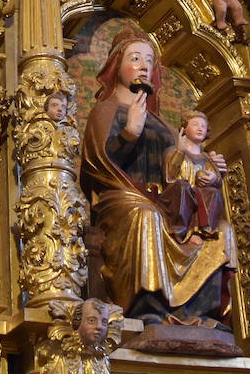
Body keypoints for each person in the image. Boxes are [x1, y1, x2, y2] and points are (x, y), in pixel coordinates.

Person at [80, 29, 229, 325]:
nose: (144, 66)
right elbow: (96, 165)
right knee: (147, 217)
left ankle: (199, 312)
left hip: (167, 200)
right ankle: (148, 308)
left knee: (221, 231)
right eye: (135, 58)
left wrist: (208, 169)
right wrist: (129, 134)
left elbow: (179, 165)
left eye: (149, 60)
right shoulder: (104, 111)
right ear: (116, 65)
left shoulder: (162, 123)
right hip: (121, 198)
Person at [164, 110, 237, 268]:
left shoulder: (207, 158)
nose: (200, 128)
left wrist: (214, 178)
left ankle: (202, 231)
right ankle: (181, 232)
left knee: (213, 192)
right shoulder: (173, 152)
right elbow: (169, 176)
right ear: (184, 128)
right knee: (182, 186)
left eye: (203, 126)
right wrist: (180, 151)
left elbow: (217, 178)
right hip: (180, 198)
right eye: (195, 124)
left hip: (202, 199)